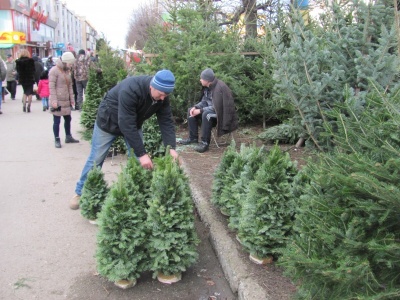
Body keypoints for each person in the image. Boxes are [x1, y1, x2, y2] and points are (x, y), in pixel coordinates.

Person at [69, 69, 178, 210]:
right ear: (152, 86)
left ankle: (139, 195)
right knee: (96, 158)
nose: (163, 98)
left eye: (166, 94)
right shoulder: (131, 89)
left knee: (138, 161)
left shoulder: (162, 97)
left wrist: (171, 148)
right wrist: (142, 154)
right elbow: (125, 123)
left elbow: (166, 122)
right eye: (161, 94)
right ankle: (80, 192)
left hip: (133, 124)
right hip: (108, 122)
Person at [179, 68, 238, 153]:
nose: (200, 80)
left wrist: (200, 110)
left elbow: (217, 107)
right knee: (190, 110)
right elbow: (204, 101)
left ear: (207, 80)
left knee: (206, 114)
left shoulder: (219, 88)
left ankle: (204, 143)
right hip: (210, 111)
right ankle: (193, 138)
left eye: (201, 78)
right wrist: (196, 107)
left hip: (222, 115)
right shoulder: (207, 87)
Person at [49, 51, 79, 148]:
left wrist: (72, 98)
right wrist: (54, 100)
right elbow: (51, 87)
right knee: (57, 120)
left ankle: (68, 136)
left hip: (66, 99)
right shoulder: (54, 71)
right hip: (57, 100)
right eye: (70, 63)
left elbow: (70, 85)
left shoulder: (67, 71)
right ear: (65, 61)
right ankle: (57, 139)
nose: (71, 65)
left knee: (68, 118)